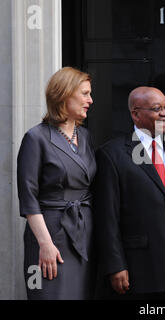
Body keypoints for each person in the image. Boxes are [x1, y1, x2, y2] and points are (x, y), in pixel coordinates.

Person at [94, 86, 165, 299]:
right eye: (156, 108)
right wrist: (115, 265)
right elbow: (108, 218)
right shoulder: (112, 155)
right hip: (139, 270)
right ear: (136, 114)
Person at [17, 67, 96, 299]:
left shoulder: (86, 136)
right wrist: (45, 244)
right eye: (84, 93)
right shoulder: (36, 138)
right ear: (63, 94)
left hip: (84, 231)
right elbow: (28, 197)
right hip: (51, 233)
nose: (90, 100)